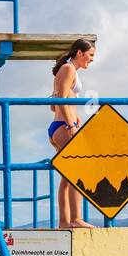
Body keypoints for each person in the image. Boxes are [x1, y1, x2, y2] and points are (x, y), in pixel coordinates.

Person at [47, 39, 97, 229]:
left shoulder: (67, 69)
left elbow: (53, 104)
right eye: (90, 55)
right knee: (77, 172)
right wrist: (71, 125)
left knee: (68, 176)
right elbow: (59, 100)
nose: (91, 60)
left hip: (59, 125)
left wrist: (74, 117)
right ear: (79, 53)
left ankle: (64, 221)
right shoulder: (68, 69)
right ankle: (75, 219)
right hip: (63, 127)